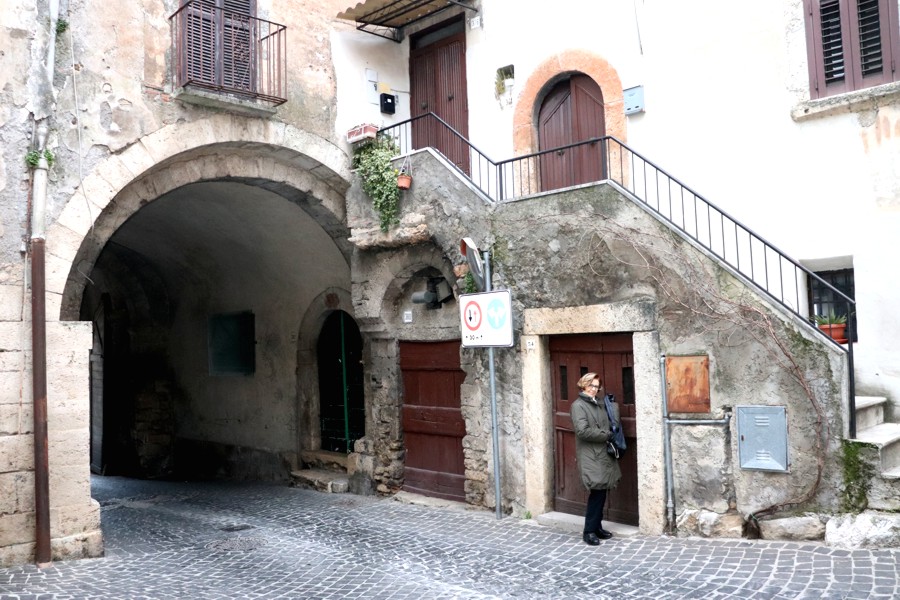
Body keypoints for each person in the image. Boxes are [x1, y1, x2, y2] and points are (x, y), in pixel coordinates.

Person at [570, 372, 622, 545]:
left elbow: (611, 423)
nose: (594, 389)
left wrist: (612, 406)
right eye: (591, 385)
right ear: (583, 385)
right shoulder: (578, 406)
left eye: (596, 386)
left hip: (603, 454)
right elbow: (582, 431)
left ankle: (597, 527)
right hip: (590, 455)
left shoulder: (598, 403)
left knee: (602, 490)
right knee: (597, 492)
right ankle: (589, 531)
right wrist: (606, 435)